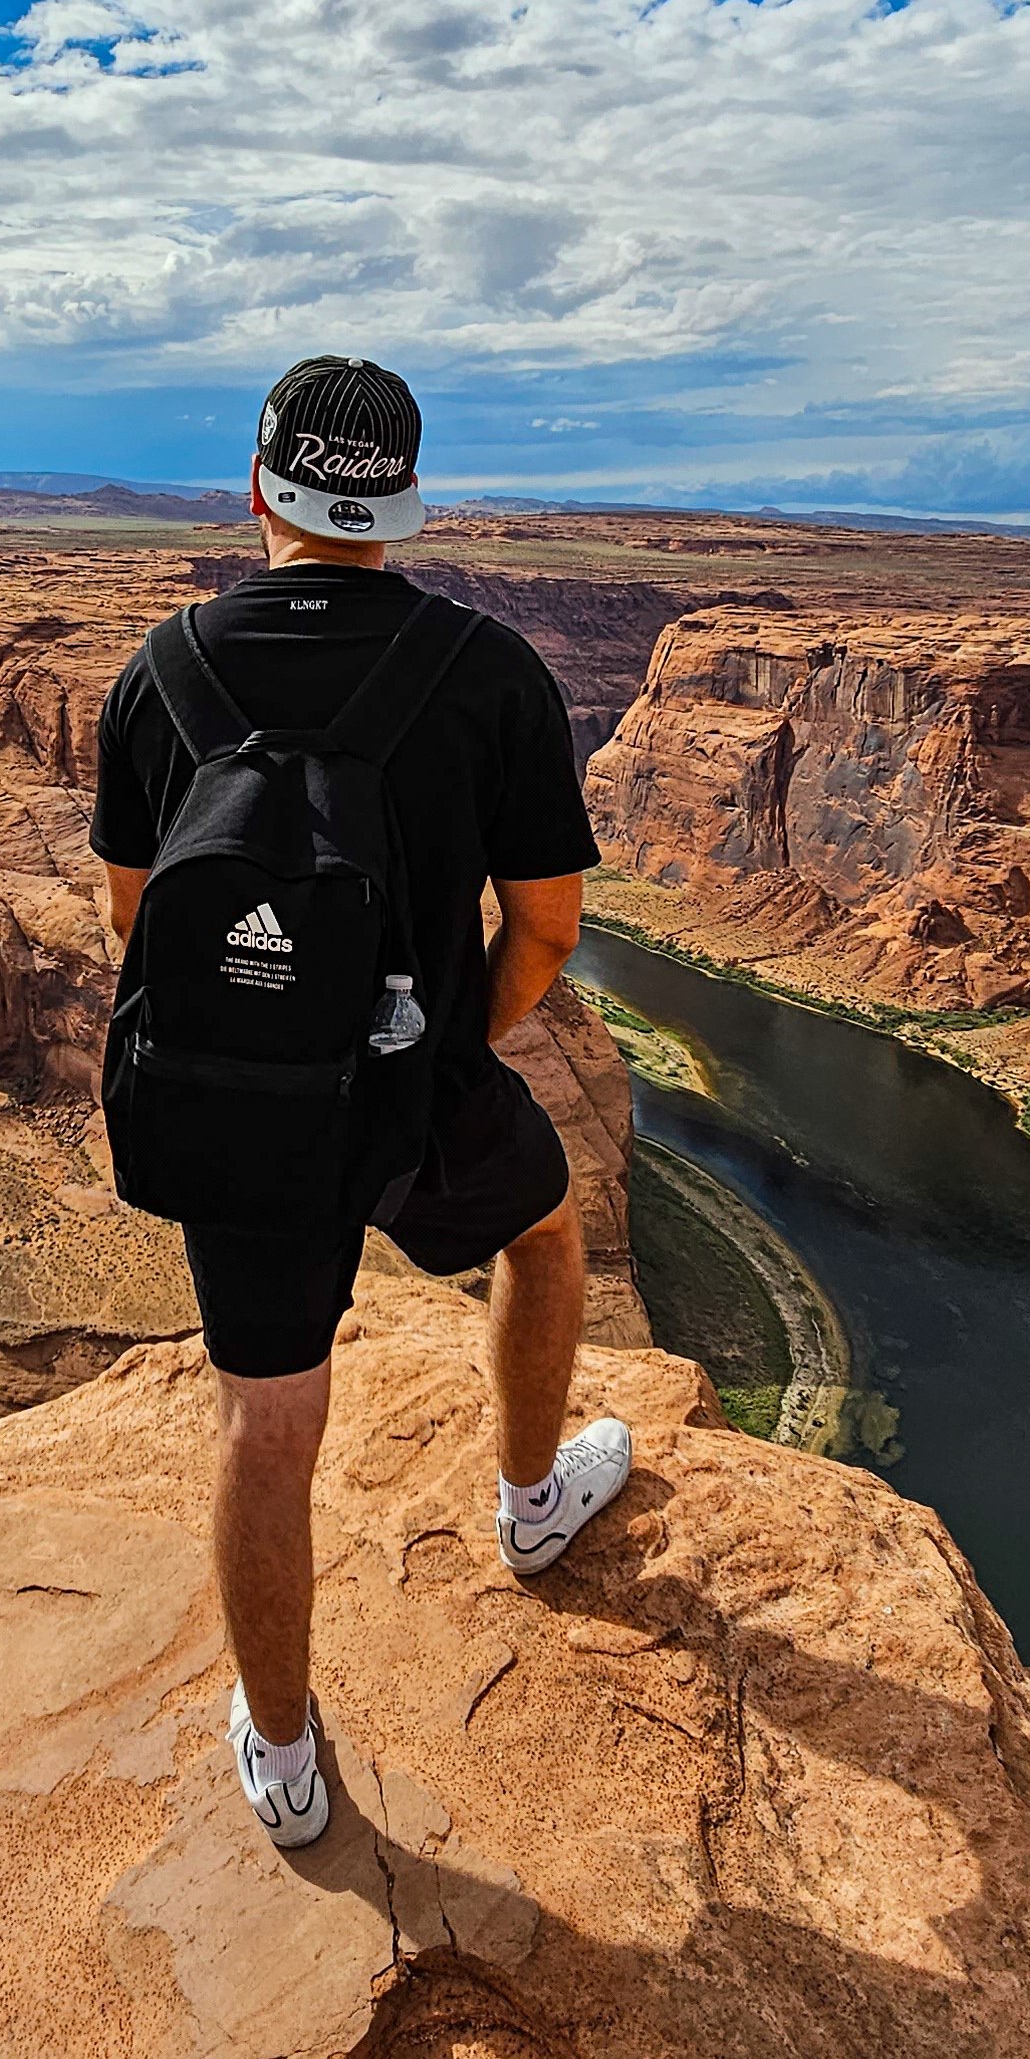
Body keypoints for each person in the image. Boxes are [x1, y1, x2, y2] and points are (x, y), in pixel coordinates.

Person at [91, 353, 633, 1855]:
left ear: (257, 488)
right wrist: (444, 1040)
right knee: (542, 1237)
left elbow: (135, 921)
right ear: (400, 505)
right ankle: (530, 1502)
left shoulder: (163, 670)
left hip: (241, 1106)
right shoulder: (493, 670)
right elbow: (549, 926)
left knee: (269, 1422)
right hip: (425, 1088)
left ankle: (280, 1751)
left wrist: (268, 1020)